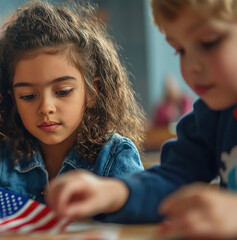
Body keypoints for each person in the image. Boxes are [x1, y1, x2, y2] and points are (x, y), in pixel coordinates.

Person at [0, 0, 146, 206]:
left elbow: (145, 209)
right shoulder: (0, 159)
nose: (46, 107)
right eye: (28, 96)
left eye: (63, 91)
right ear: (12, 99)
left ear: (92, 92)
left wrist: (110, 197)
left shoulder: (114, 155)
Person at [46, 0, 237, 238]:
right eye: (180, 50)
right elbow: (174, 178)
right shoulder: (213, 116)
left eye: (209, 43)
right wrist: (112, 192)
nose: (190, 66)